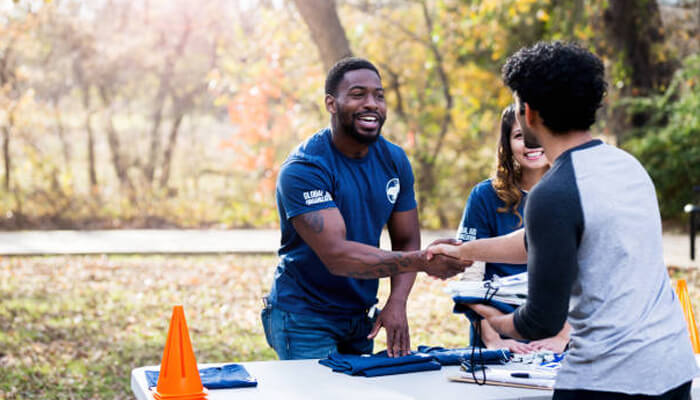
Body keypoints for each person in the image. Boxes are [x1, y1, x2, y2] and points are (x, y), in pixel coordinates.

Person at [429, 42, 697, 399]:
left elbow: (541, 320)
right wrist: (463, 251)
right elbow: (537, 240)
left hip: (610, 380)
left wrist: (492, 322)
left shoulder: (553, 193)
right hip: (673, 366)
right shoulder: (626, 166)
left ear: (529, 112)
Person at [262, 57, 468, 361]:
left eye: (379, 95)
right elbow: (338, 256)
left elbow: (406, 239)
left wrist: (397, 301)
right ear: (331, 104)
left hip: (360, 316)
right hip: (304, 317)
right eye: (358, 94)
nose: (372, 103)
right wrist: (422, 262)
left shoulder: (394, 160)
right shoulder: (305, 168)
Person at [458, 105, 569, 354]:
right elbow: (471, 277)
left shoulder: (572, 191)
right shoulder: (484, 196)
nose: (530, 144)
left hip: (556, 338)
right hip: (498, 336)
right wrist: (493, 340)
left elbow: (587, 275)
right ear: (507, 143)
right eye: (520, 136)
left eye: (537, 134)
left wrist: (563, 337)